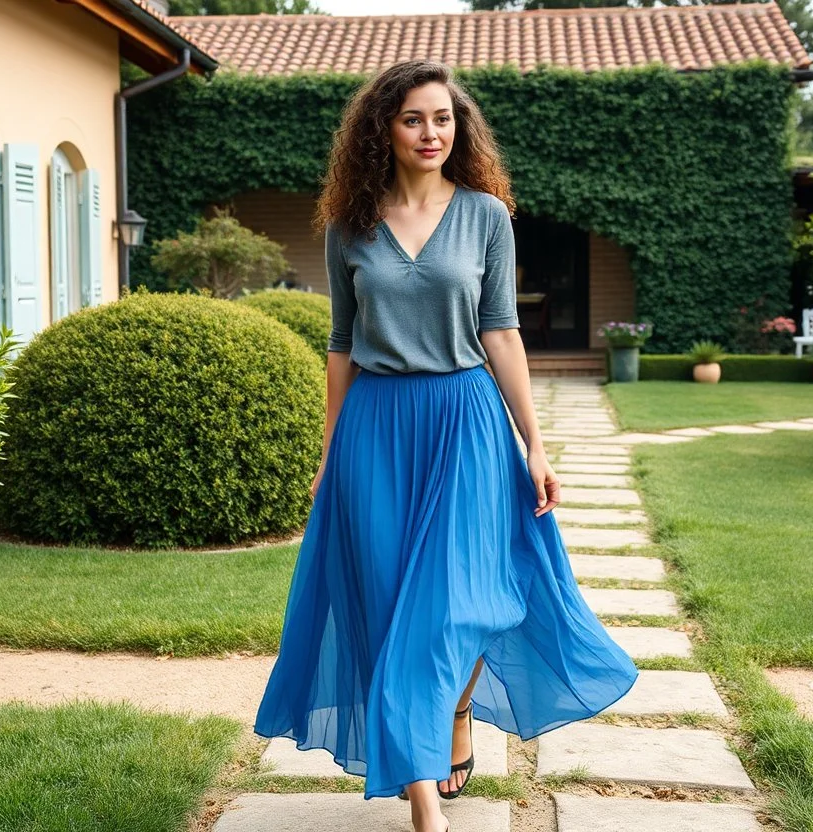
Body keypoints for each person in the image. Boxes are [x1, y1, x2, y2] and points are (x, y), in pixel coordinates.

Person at [253, 59, 637, 832]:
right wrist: (331, 453)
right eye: (413, 120)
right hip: (375, 431)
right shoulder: (349, 228)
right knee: (392, 609)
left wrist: (535, 442)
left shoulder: (487, 216)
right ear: (381, 133)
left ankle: (453, 715)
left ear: (458, 129)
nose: (431, 133)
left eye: (443, 119)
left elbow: (501, 329)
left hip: (464, 424)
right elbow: (340, 345)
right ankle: (427, 803)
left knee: (454, 609)